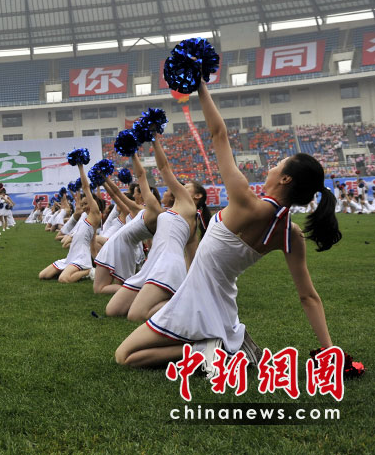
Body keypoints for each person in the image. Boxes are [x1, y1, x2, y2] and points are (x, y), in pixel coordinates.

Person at [115, 79, 341, 369]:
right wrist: (330, 352)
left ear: (285, 179)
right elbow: (308, 297)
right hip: (222, 310)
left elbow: (218, 134)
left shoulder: (246, 201)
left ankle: (209, 350)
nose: (271, 167)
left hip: (196, 303)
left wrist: (199, 84)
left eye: (278, 165)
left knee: (125, 356)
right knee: (132, 354)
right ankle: (216, 347)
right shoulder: (291, 234)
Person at [106, 138, 204, 321]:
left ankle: (185, 303)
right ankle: (177, 298)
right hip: (152, 263)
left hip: (167, 266)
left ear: (197, 196)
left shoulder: (188, 206)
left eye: (186, 187)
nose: (181, 187)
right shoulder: (176, 213)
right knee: (113, 310)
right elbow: (141, 177)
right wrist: (133, 154)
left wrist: (154, 138)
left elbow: (164, 168)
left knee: (135, 315)